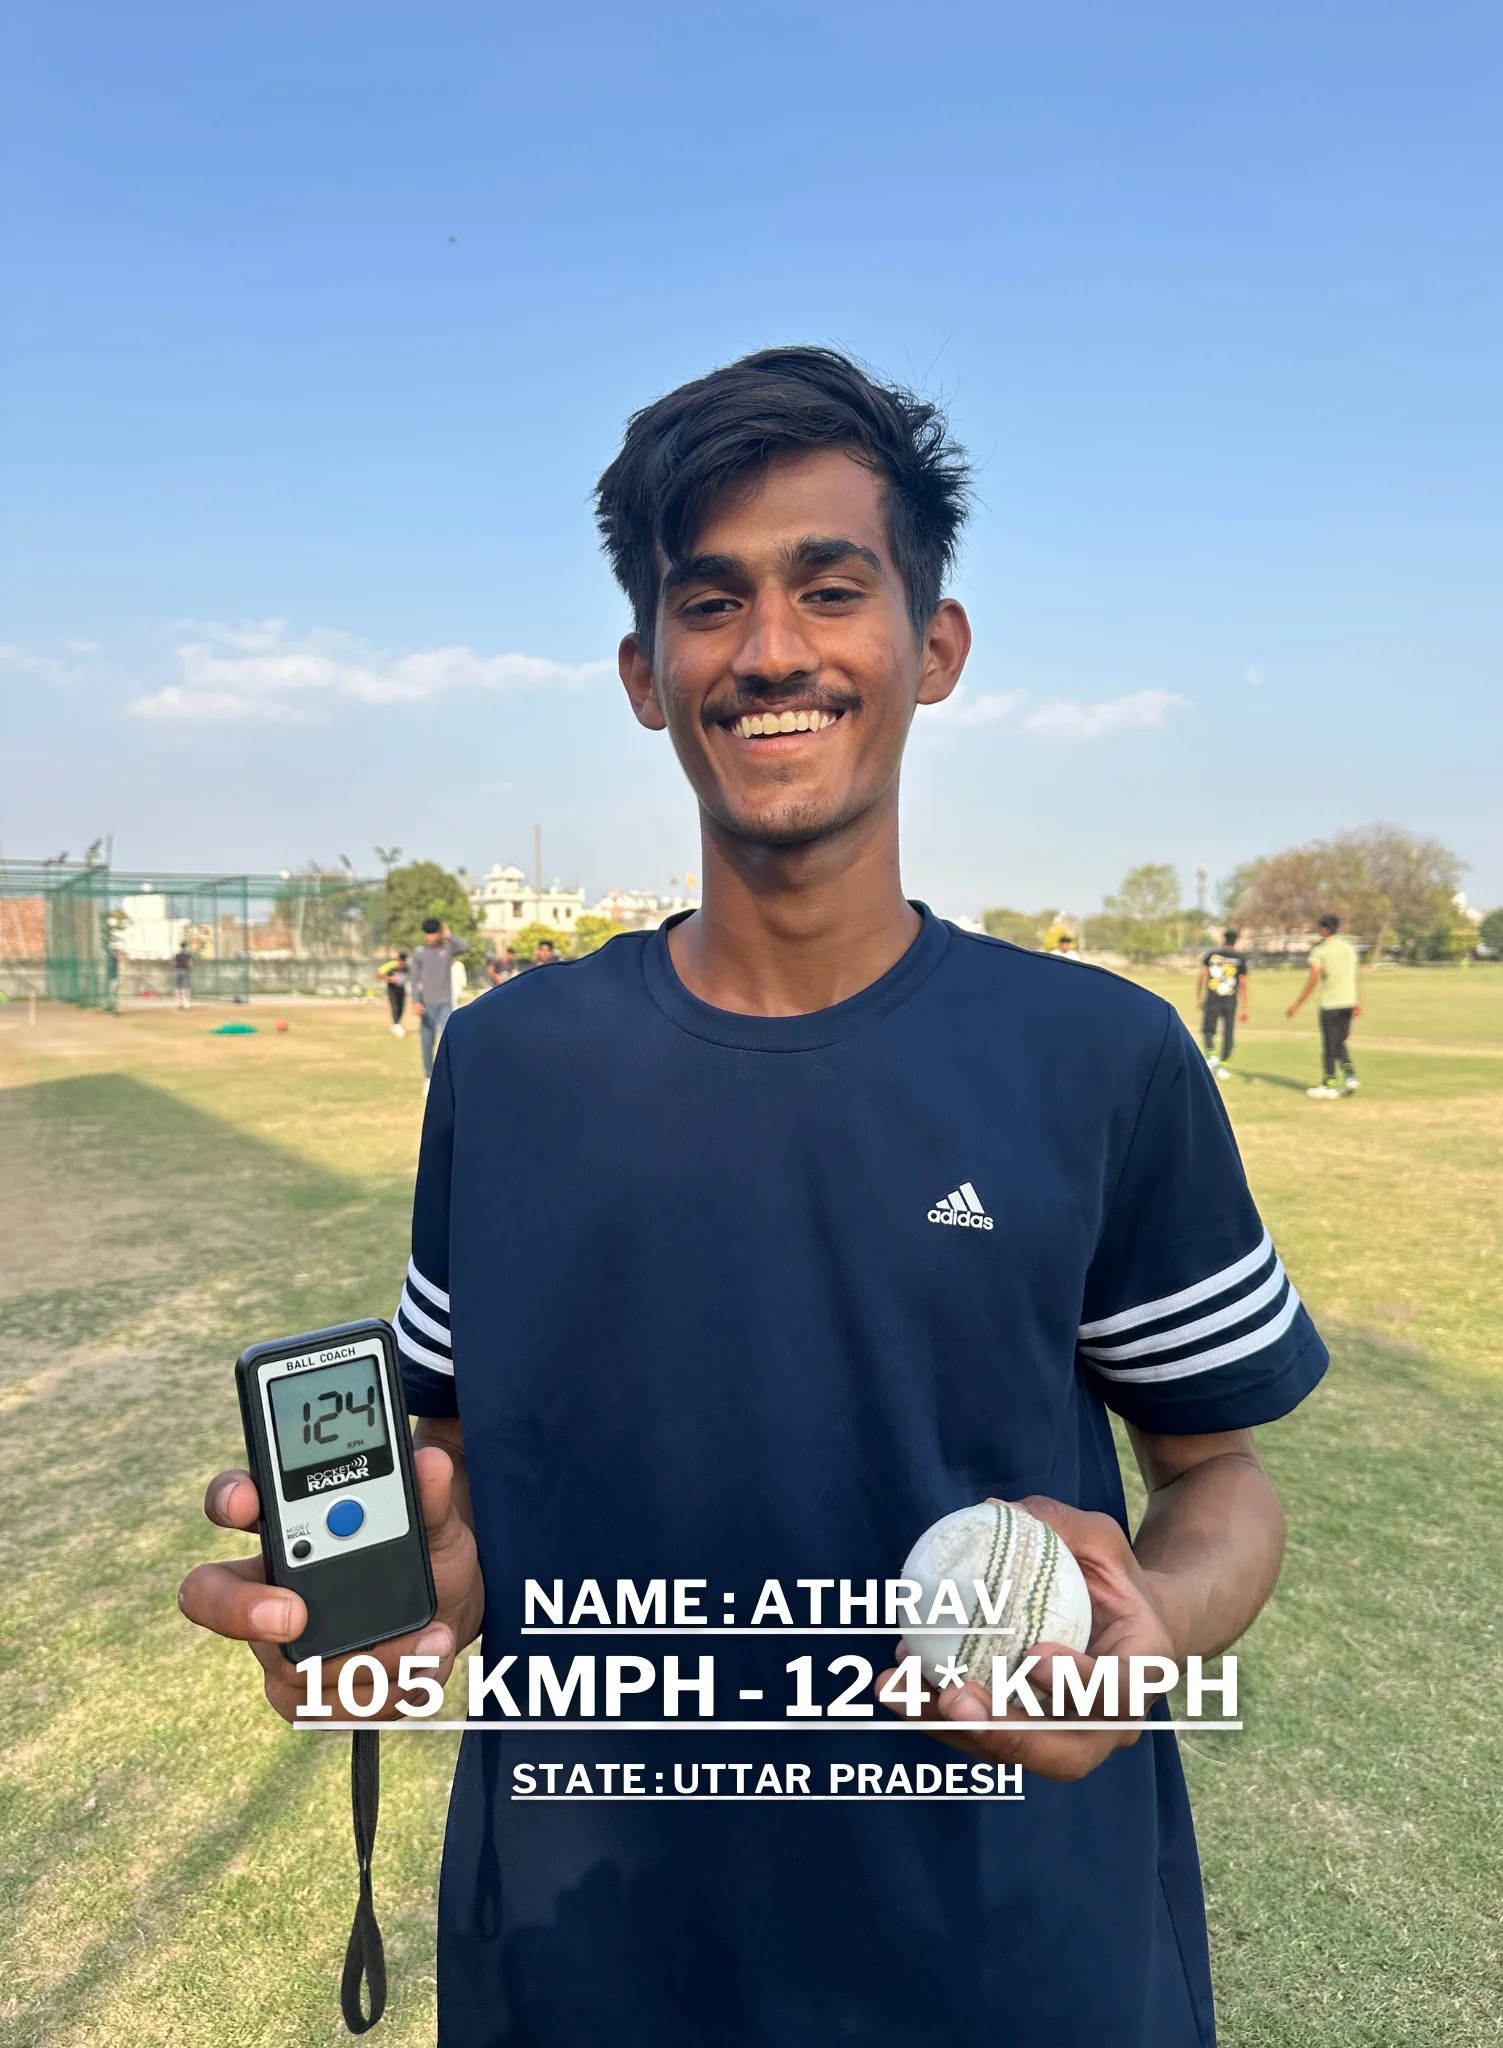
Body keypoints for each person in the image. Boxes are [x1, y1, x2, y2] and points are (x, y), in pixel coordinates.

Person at [180, 347, 1328, 2048]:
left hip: (1008, 1958)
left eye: (830, 587)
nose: (773, 647)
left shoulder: (1101, 1055)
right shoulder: (504, 1066)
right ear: (648, 674)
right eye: (711, 601)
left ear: (931, 649)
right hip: (587, 1957)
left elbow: (1220, 1475)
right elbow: (474, 1480)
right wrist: (389, 1602)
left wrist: (1151, 1626)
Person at [1287, 912, 1360, 1098]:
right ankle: (1351, 1076)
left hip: (1331, 1004)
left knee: (1329, 1045)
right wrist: (1356, 1000)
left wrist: (1297, 1004)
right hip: (1348, 1002)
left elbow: (1314, 979)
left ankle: (1329, 1084)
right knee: (1339, 1042)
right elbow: (1351, 975)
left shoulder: (1321, 951)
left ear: (1324, 929)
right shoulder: (1349, 948)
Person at [408, 918, 467, 1095]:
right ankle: (428, 1077)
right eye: (427, 934)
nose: (430, 937)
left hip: (445, 1003)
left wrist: (450, 935)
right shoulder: (419, 953)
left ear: (439, 933)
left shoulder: (448, 948)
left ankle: (449, 1078)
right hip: (426, 1004)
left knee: (448, 1040)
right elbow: (414, 978)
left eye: (433, 933)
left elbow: (465, 946)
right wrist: (415, 1001)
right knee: (427, 1042)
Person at [1195, 926, 1248, 1079]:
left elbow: (1202, 975)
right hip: (1230, 1000)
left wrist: (1199, 996)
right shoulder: (1239, 959)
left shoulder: (1212, 955)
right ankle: (1223, 1066)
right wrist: (1245, 1006)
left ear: (1223, 939)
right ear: (1235, 941)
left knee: (1208, 1029)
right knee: (1228, 1032)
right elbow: (1243, 983)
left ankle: (1211, 1056)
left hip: (1213, 997)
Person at [376, 949, 410, 1036]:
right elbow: (377, 975)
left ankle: (397, 1023)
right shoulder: (391, 965)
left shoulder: (407, 967)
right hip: (392, 988)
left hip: (401, 988)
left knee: (402, 1006)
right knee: (395, 1006)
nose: (402, 963)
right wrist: (390, 978)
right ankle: (396, 1024)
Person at [172, 943, 193, 1010]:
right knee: (185, 987)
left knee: (178, 987)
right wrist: (188, 966)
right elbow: (190, 964)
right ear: (186, 947)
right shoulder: (188, 954)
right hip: (185, 971)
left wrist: (177, 965)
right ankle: (185, 1003)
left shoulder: (177, 954)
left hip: (178, 971)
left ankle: (178, 1003)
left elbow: (174, 963)